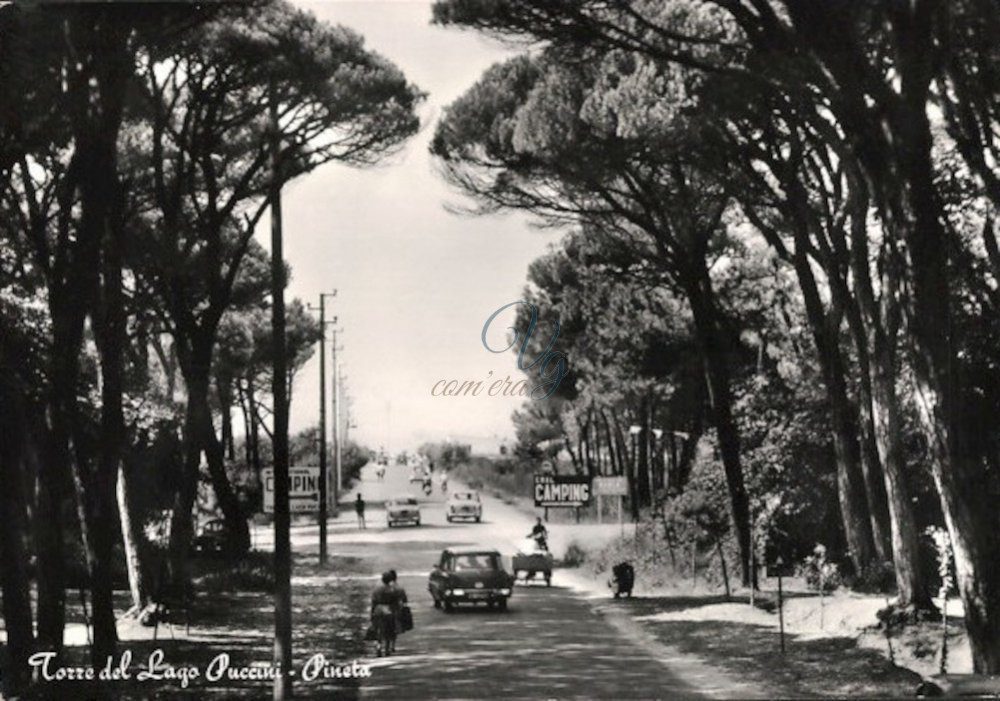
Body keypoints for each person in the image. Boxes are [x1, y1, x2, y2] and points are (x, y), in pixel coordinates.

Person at [370, 571, 400, 657]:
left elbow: (373, 602)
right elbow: (396, 602)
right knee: (389, 629)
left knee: (378, 629)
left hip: (378, 609)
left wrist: (372, 612)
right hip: (388, 609)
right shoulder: (392, 589)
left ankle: (378, 648)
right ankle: (387, 649)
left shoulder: (376, 589)